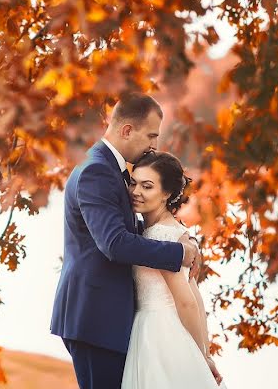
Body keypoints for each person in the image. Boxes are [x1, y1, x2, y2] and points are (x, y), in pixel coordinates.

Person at [50, 92, 201, 389]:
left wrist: (185, 241)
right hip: (95, 318)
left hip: (106, 320)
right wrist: (178, 253)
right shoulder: (97, 171)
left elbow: (143, 229)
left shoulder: (111, 170)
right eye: (151, 135)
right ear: (128, 130)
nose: (154, 145)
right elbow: (115, 243)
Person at [122, 150, 225, 388]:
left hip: (159, 335)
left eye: (147, 186)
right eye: (134, 183)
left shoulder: (163, 235)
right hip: (156, 329)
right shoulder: (163, 231)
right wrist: (205, 352)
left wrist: (201, 356)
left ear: (166, 194)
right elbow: (197, 298)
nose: (136, 192)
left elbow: (188, 301)